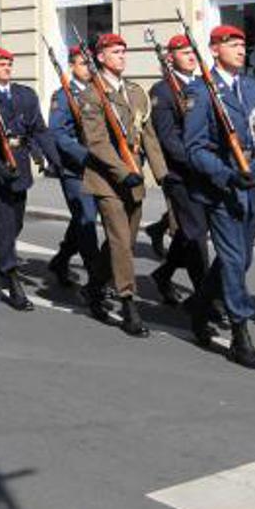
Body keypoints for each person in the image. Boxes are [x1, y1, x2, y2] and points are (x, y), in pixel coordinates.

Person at [183, 24, 255, 369]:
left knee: (242, 258)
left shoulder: (254, 89)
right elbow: (194, 148)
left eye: (244, 44)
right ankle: (240, 336)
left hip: (249, 185)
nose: (242, 50)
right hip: (220, 187)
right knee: (232, 260)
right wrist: (225, 174)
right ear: (215, 50)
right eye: (232, 44)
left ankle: (201, 304)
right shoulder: (201, 91)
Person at [80, 32, 166, 336]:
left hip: (134, 177)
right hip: (107, 180)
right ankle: (128, 304)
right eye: (115, 52)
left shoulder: (135, 92)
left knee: (125, 242)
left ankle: (93, 286)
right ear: (100, 57)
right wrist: (121, 171)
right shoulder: (92, 94)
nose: (121, 56)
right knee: (119, 241)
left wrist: (162, 174)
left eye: (123, 51)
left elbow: (148, 135)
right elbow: (96, 142)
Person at [0, 45, 58, 311]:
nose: (6, 67)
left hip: (20, 167)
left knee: (15, 224)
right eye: (1, 63)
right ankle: (12, 280)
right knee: (5, 226)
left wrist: (56, 159)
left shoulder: (24, 94)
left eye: (9, 63)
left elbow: (39, 130)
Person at [148, 35, 211, 312]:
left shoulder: (202, 85)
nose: (191, 56)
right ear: (170, 58)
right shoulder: (162, 91)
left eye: (192, 51)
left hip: (207, 170)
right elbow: (168, 138)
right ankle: (204, 297)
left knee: (189, 231)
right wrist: (196, 160)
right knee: (196, 234)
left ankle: (163, 274)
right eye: (184, 52)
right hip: (181, 173)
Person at [44, 43, 101, 292]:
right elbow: (58, 134)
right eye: (83, 63)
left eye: (91, 63)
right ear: (71, 66)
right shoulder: (63, 96)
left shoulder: (98, 91)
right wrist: (85, 155)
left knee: (82, 218)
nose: (89, 68)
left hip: (100, 167)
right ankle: (96, 276)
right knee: (87, 219)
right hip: (75, 169)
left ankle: (61, 260)